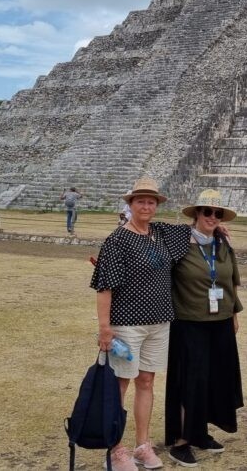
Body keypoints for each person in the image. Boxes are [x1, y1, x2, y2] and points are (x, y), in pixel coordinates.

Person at [91, 177, 193, 471]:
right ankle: (115, 448)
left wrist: (217, 229)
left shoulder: (160, 233)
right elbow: (104, 286)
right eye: (140, 201)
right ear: (131, 204)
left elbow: (194, 231)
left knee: (147, 381)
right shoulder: (118, 240)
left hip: (159, 322)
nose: (146, 206)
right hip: (127, 324)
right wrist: (104, 328)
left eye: (151, 202)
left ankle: (142, 445)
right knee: (120, 385)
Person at [164, 190, 244, 467]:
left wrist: (234, 313)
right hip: (189, 322)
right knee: (189, 381)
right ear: (197, 213)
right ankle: (180, 441)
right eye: (207, 211)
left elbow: (232, 280)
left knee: (214, 379)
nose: (212, 217)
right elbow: (151, 229)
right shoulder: (179, 241)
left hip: (220, 321)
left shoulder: (222, 244)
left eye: (217, 213)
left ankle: (199, 432)